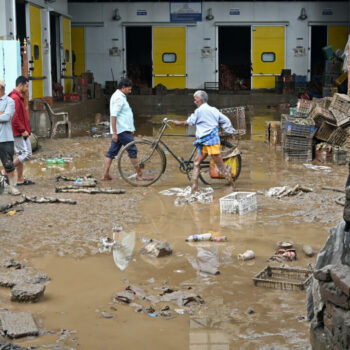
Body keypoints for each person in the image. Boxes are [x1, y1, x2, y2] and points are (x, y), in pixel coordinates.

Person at [172, 90, 235, 192]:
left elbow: (189, 122)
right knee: (197, 162)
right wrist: (230, 131)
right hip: (205, 142)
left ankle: (232, 185)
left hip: (211, 142)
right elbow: (226, 120)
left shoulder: (199, 111)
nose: (194, 102)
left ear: (200, 101)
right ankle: (194, 187)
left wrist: (178, 123)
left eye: (195, 100)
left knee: (220, 166)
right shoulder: (214, 110)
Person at [102, 78, 152, 181]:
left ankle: (106, 174)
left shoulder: (120, 96)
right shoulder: (119, 98)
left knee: (112, 152)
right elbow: (114, 116)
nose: (130, 91)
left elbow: (123, 115)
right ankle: (140, 174)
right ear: (123, 88)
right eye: (129, 89)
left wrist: (129, 128)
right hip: (121, 130)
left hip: (122, 129)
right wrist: (115, 133)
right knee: (132, 150)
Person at [9, 76, 34, 186]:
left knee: (21, 155)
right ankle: (6, 170)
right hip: (18, 132)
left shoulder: (17, 97)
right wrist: (23, 130)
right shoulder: (15, 98)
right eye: (27, 86)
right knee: (26, 154)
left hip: (20, 132)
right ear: (20, 85)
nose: (27, 89)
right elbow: (14, 118)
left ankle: (20, 179)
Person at [0, 78, 21, 195]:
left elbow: (7, 117)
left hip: (6, 138)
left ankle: (12, 187)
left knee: (8, 164)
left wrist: (3, 115)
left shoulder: (10, 101)